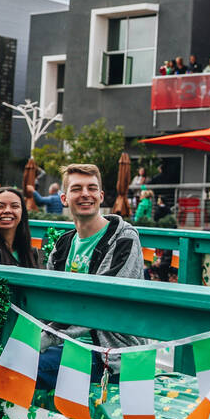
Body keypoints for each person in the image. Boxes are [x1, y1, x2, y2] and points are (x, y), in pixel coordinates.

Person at [37, 164, 146, 389]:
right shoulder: (62, 245)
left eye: (92, 188)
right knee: (4, 356)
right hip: (67, 345)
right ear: (64, 198)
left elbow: (98, 302)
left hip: (109, 355)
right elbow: (51, 302)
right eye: (77, 188)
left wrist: (40, 340)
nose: (85, 194)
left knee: (21, 365)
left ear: (100, 196)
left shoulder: (124, 240)